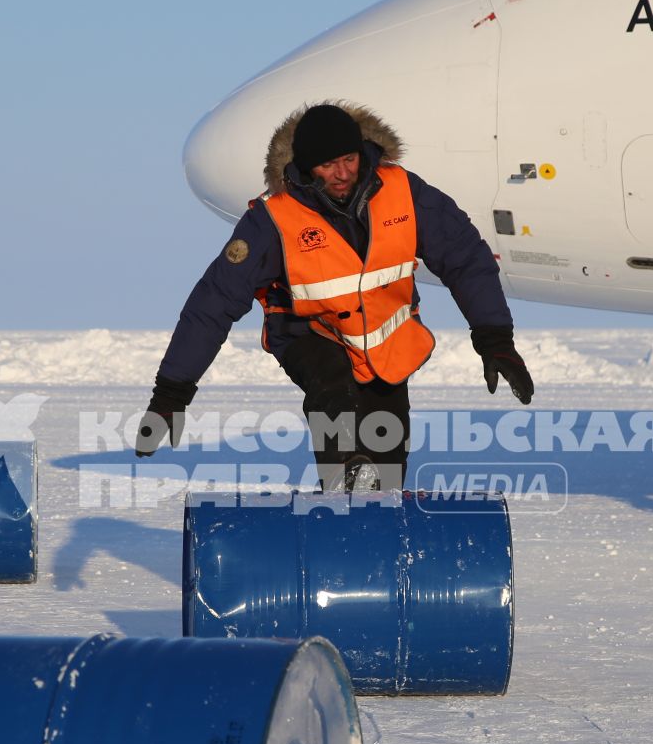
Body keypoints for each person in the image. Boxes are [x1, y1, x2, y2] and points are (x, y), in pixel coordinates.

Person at [136, 102, 533, 490]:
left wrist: (495, 340)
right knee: (332, 388)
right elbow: (213, 303)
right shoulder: (273, 219)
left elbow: (466, 258)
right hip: (309, 333)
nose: (342, 174)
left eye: (348, 159)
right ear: (306, 166)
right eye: (328, 165)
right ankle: (346, 473)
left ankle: (377, 511)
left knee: (388, 456)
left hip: (385, 341)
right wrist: (171, 393)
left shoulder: (403, 192)